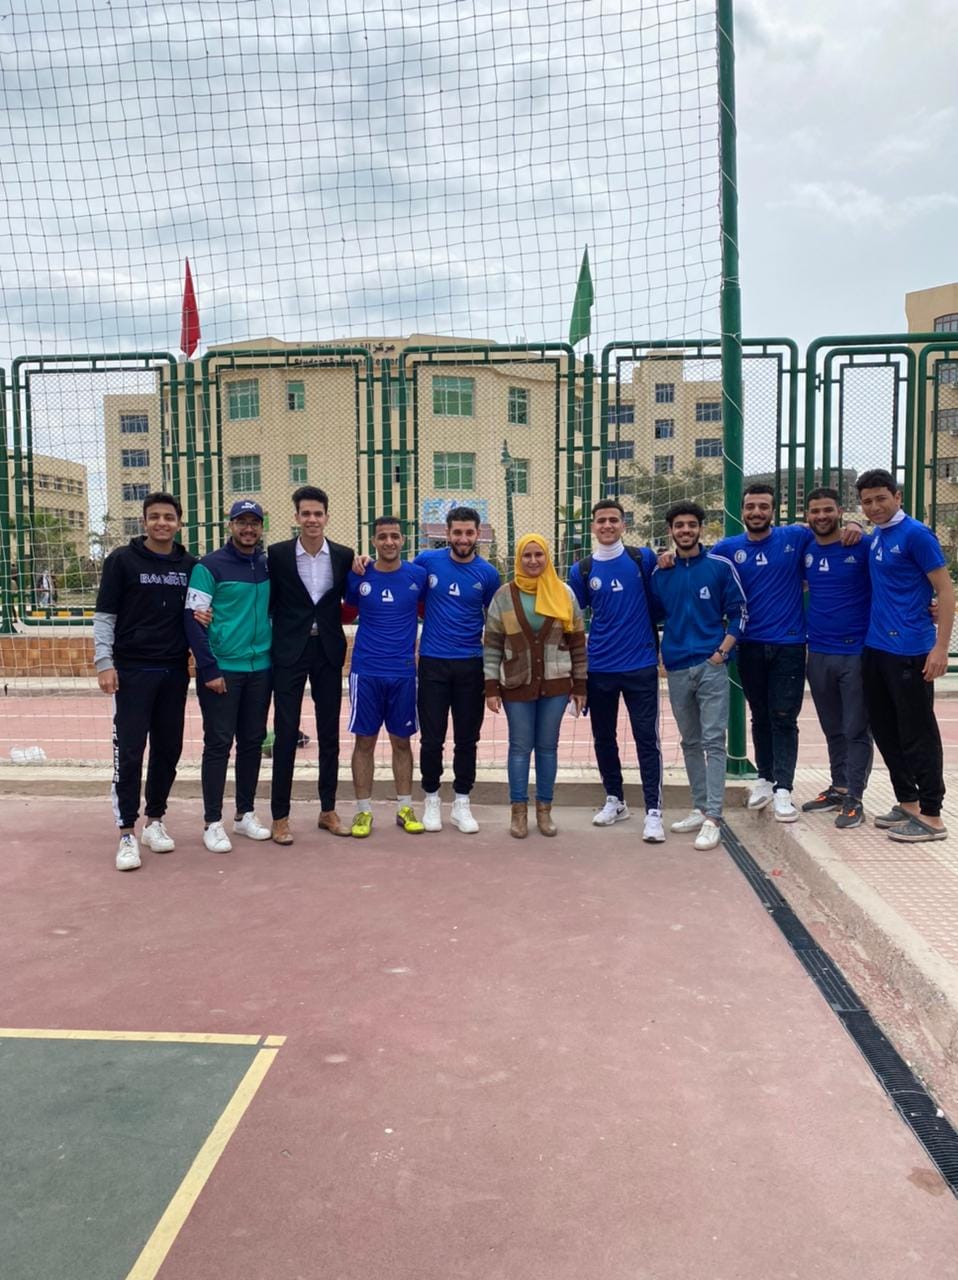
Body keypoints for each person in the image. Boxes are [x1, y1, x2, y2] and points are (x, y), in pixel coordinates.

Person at [711, 483, 861, 823]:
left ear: (773, 511)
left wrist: (855, 524)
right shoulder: (727, 548)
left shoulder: (795, 536)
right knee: (759, 715)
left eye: (763, 506)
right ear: (742, 510)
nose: (756, 512)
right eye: (750, 506)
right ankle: (765, 779)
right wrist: (668, 556)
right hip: (748, 645)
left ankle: (784, 790)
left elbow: (829, 530)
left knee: (783, 717)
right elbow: (697, 566)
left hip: (790, 645)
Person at [93, 492, 196, 871]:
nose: (161, 523)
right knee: (130, 752)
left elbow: (200, 613)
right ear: (144, 521)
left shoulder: (190, 565)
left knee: (168, 749)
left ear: (179, 523)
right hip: (132, 671)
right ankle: (126, 833)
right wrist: (104, 663)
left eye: (168, 517)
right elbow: (105, 616)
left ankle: (155, 821)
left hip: (173, 671)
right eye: (154, 517)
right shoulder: (122, 560)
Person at [857, 469, 954, 842]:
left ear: (897, 497)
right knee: (885, 728)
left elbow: (945, 591)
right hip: (876, 647)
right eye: (867, 502)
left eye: (881, 498)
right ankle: (908, 802)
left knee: (918, 732)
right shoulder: (878, 536)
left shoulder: (917, 534)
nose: (875, 507)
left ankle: (932, 815)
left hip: (911, 649)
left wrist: (940, 647)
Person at [650, 501, 747, 851]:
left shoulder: (719, 567)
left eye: (692, 524)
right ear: (671, 531)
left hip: (711, 665)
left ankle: (714, 817)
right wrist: (663, 654)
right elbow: (654, 616)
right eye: (679, 525)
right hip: (677, 667)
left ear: (701, 529)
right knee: (689, 742)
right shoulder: (661, 573)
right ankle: (700, 806)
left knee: (713, 741)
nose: (686, 530)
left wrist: (721, 653)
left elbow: (740, 614)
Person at [567, 499, 665, 842]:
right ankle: (615, 799)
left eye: (613, 520)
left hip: (641, 665)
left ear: (624, 525)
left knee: (646, 738)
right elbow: (573, 619)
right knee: (604, 737)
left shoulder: (643, 559)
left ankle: (653, 811)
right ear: (593, 526)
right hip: (600, 668)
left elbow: (661, 597)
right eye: (601, 520)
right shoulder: (581, 570)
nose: (607, 525)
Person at [267, 485, 355, 844]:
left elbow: (354, 594)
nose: (312, 519)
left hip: (328, 651)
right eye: (306, 513)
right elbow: (267, 600)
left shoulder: (344, 556)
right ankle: (280, 817)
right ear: (296, 517)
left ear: (327, 517)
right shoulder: (278, 555)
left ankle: (327, 810)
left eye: (318, 513)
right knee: (286, 732)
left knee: (329, 733)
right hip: (289, 651)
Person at [185, 499, 273, 853]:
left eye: (254, 522)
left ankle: (244, 814)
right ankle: (212, 822)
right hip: (222, 670)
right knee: (218, 745)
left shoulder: (267, 565)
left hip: (260, 669)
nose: (248, 528)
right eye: (241, 522)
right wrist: (209, 668)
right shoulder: (209, 566)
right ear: (230, 525)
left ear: (261, 527)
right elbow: (193, 619)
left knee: (252, 743)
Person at [484, 533, 586, 838]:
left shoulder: (564, 594)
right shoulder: (504, 596)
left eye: (538, 555)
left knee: (547, 748)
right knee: (519, 747)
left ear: (547, 557)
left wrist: (580, 685)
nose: (532, 561)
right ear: (519, 559)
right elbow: (492, 644)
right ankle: (518, 812)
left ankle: (545, 810)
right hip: (516, 684)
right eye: (526, 555)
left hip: (556, 685)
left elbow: (578, 643)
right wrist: (491, 687)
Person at [414, 506, 501, 834]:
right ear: (447, 534)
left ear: (477, 534)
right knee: (431, 738)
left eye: (469, 532)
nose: (463, 538)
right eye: (457, 532)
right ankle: (431, 799)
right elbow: (404, 584)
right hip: (433, 662)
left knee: (467, 739)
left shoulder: (488, 574)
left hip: (470, 665)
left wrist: (493, 673)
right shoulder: (427, 562)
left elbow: (495, 622)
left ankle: (462, 802)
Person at [344, 516, 428, 838]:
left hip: (403, 672)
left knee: (402, 742)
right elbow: (345, 612)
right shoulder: (359, 574)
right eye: (382, 537)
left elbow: (429, 609)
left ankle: (405, 807)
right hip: (366, 671)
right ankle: (363, 811)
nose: (389, 542)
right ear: (374, 541)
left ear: (403, 540)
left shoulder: (418, 575)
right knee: (364, 742)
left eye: (394, 536)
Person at [800, 488, 873, 830]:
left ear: (841, 511)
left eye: (828, 509)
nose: (821, 516)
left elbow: (896, 576)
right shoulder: (805, 547)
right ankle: (839, 787)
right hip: (818, 651)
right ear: (807, 516)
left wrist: (860, 524)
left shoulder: (861, 544)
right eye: (815, 511)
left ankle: (855, 798)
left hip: (855, 652)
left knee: (856, 727)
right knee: (832, 727)